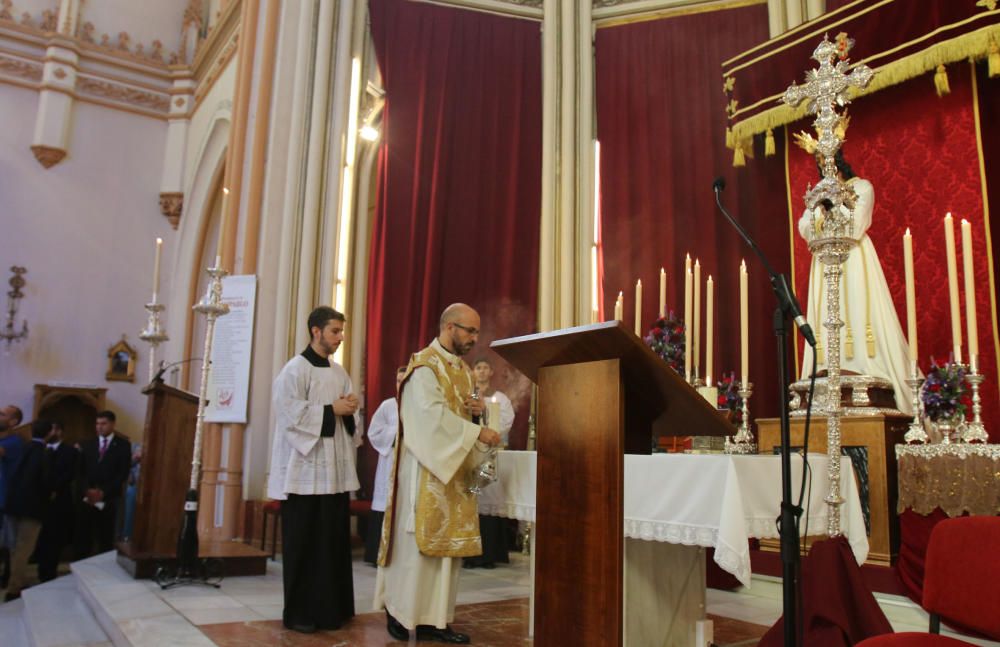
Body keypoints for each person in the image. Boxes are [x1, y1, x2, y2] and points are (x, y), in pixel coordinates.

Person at [374, 303, 502, 644]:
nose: (475, 338)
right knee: (416, 549)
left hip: (452, 469)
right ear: (449, 327)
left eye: (477, 332)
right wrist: (475, 433)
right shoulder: (424, 368)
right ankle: (400, 613)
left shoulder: (461, 370)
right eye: (470, 331)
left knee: (445, 556)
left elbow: (459, 416)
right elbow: (428, 422)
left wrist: (477, 415)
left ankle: (435, 621)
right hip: (424, 470)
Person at [267, 306, 362, 633]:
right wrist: (331, 409)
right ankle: (300, 613)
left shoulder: (339, 372)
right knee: (306, 544)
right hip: (304, 474)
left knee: (332, 542)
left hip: (333, 475)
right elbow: (289, 414)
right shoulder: (295, 370)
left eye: (341, 332)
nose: (339, 337)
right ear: (316, 331)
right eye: (335, 331)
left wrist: (349, 411)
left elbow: (349, 419)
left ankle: (333, 608)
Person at [798, 149, 913, 414]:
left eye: (827, 159)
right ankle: (827, 366)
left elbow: (856, 223)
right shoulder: (816, 193)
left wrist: (832, 208)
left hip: (853, 260)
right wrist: (820, 212)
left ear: (839, 160)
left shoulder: (862, 187)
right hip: (824, 262)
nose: (823, 166)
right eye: (819, 162)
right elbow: (804, 226)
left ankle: (862, 364)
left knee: (858, 307)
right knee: (826, 314)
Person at [463, 357, 515, 569]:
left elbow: (506, 420)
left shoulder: (499, 397)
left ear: (491, 372)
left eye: (485, 368)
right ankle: (470, 554)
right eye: (478, 368)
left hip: (490, 452)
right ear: (473, 372)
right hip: (471, 452)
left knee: (490, 501)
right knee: (472, 499)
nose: (482, 371)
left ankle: (490, 554)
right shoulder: (470, 395)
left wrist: (487, 417)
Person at [4, 419, 56, 600]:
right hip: (32, 508)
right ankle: (14, 589)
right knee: (24, 548)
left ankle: (18, 580)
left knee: (14, 548)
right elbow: (46, 481)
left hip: (12, 505)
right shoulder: (45, 453)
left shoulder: (22, 447)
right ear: (50, 432)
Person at [364, 365, 407, 565]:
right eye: (398, 381)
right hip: (389, 460)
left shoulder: (420, 406)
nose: (401, 384)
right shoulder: (388, 405)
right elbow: (374, 432)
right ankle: (378, 554)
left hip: (409, 463)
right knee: (385, 504)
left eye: (405, 380)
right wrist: (395, 431)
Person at [75, 410, 131, 558]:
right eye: (97, 423)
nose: (100, 427)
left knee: (105, 536)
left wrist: (103, 492)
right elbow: (80, 472)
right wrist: (87, 490)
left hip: (109, 498)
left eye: (104, 423)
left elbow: (122, 473)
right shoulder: (87, 444)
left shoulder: (123, 445)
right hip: (87, 497)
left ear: (112, 424)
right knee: (83, 535)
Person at [35, 422, 78, 582]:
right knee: (40, 538)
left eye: (52, 429)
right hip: (39, 501)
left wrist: (54, 489)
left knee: (54, 539)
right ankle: (40, 571)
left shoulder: (70, 451)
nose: (50, 432)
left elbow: (69, 474)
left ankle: (49, 573)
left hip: (59, 500)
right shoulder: (41, 449)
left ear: (59, 431)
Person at [0, 404, 25, 588]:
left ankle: (7, 577)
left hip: (5, 500)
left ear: (13, 421)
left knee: (8, 542)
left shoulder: (15, 441)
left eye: (2, 414)